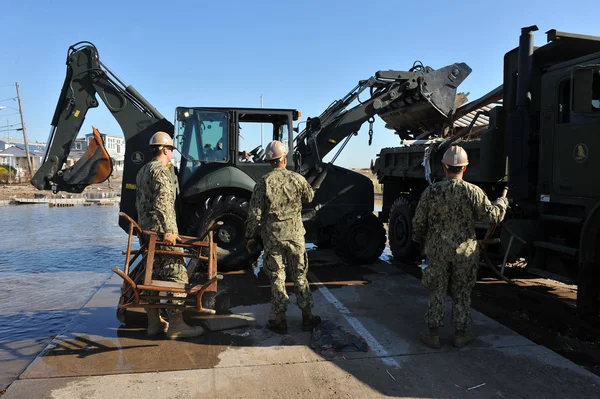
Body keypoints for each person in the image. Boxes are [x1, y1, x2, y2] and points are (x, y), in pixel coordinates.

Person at [412, 145, 509, 349]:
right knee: (462, 292)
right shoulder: (473, 192)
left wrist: (420, 241)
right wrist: (502, 202)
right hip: (465, 252)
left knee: (436, 289)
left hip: (437, 251)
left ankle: (433, 334)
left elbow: (419, 223)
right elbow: (492, 216)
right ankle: (460, 335)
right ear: (464, 168)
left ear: (444, 167)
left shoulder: (431, 191)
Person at [244, 140, 321, 334]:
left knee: (277, 276)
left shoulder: (263, 183)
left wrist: (250, 236)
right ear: (284, 159)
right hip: (295, 235)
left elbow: (255, 214)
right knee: (300, 275)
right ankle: (308, 317)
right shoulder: (297, 179)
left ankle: (280, 320)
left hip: (273, 237)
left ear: (270, 162)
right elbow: (309, 197)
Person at [135, 131, 204, 339]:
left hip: (147, 233)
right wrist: (170, 232)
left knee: (152, 276)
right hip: (162, 234)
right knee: (176, 276)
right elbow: (163, 202)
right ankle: (176, 325)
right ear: (165, 150)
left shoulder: (142, 171)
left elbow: (139, 204)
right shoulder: (162, 171)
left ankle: (154, 323)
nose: (172, 155)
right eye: (171, 151)